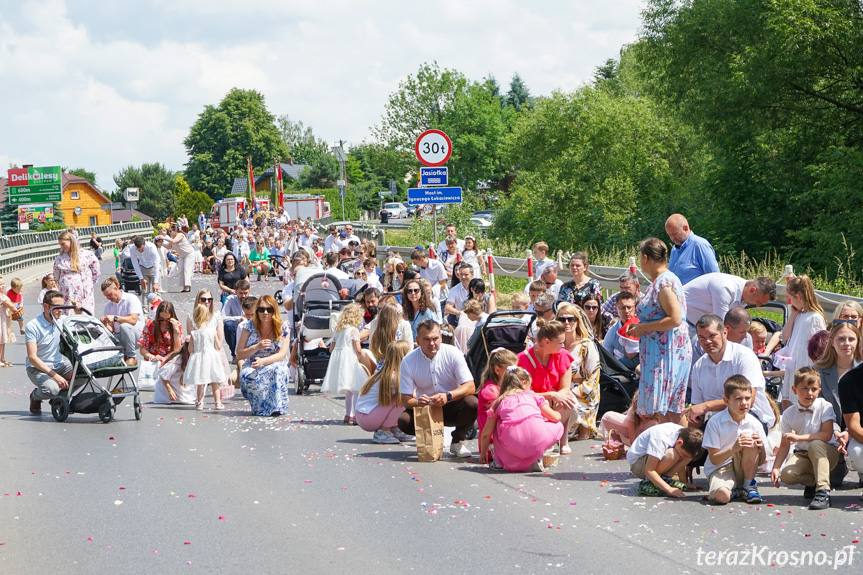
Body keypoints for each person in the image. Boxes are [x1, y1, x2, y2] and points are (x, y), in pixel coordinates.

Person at [625, 238, 691, 423]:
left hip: (667, 353)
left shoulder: (665, 282)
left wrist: (643, 328)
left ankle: (681, 448)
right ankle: (676, 448)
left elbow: (675, 318)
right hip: (662, 351)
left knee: (667, 408)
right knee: (668, 410)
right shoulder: (661, 280)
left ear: (646, 258)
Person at [397, 320, 479, 458]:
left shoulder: (453, 353)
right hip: (426, 407)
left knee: (472, 402)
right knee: (403, 420)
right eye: (426, 339)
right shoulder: (408, 360)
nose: (432, 343)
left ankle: (458, 441)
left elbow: (470, 386)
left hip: (451, 404)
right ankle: (429, 438)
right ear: (417, 340)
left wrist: (448, 395)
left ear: (441, 337)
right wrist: (418, 402)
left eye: (435, 338)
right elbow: (405, 399)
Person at [685, 314, 777, 433]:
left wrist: (706, 406)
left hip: (750, 418)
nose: (707, 341)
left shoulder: (744, 356)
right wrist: (690, 441)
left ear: (725, 333)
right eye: (701, 337)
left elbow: (748, 401)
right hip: (717, 424)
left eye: (712, 336)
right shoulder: (699, 366)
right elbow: (698, 414)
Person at [771, 367, 840, 510]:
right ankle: (813, 482)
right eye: (804, 388)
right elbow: (785, 444)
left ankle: (823, 492)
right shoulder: (789, 414)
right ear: (794, 390)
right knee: (787, 475)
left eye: (814, 389)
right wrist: (776, 467)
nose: (809, 393)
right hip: (803, 453)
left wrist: (798, 437)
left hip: (827, 453)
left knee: (816, 444)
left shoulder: (825, 406)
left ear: (819, 391)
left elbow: (827, 435)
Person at [479, 367, 564, 472]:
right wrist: (557, 413)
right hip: (537, 443)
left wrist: (483, 453)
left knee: (497, 423)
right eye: (529, 385)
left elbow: (486, 433)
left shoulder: (498, 402)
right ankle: (536, 456)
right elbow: (555, 418)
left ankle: (498, 461)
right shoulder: (532, 396)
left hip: (512, 446)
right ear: (524, 383)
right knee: (558, 425)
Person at [703, 375, 767, 504]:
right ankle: (737, 491)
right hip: (721, 468)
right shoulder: (715, 422)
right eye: (738, 399)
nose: (744, 403)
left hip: (745, 469)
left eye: (747, 398)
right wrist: (734, 448)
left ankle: (749, 486)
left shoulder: (755, 423)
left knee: (750, 441)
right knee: (722, 497)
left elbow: (761, 461)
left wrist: (761, 448)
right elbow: (714, 459)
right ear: (726, 401)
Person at [517, 319, 577, 454]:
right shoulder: (522, 359)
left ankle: (563, 440)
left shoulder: (562, 355)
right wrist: (549, 396)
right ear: (546, 342)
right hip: (532, 402)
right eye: (560, 343)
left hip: (553, 400)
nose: (563, 346)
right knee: (547, 402)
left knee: (567, 400)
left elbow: (565, 387)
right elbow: (519, 393)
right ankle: (544, 439)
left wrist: (556, 397)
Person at [815, 321, 862, 488]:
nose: (846, 344)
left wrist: (850, 432)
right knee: (834, 479)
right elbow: (816, 409)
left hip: (857, 428)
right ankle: (838, 465)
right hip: (830, 430)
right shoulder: (817, 371)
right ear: (832, 341)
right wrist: (835, 431)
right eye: (841, 339)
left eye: (851, 339)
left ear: (858, 342)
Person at [25, 291, 81, 414]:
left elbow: (82, 322)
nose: (60, 311)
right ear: (46, 306)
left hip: (59, 364)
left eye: (62, 307)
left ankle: (59, 398)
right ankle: (35, 396)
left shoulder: (62, 320)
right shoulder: (33, 326)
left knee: (84, 374)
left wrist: (78, 311)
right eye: (57, 307)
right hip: (37, 367)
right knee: (51, 390)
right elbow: (32, 357)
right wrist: (54, 375)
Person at [321, 304, 377, 424]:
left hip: (339, 359)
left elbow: (331, 349)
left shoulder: (339, 329)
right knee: (357, 387)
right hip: (350, 358)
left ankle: (348, 414)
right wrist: (362, 356)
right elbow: (357, 349)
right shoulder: (353, 330)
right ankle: (356, 415)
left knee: (349, 390)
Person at [236, 295, 291, 417]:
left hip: (274, 361)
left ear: (274, 311)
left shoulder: (283, 327)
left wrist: (264, 361)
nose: (265, 313)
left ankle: (276, 407)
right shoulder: (249, 326)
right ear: (257, 311)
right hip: (253, 362)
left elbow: (282, 354)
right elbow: (239, 353)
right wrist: (256, 347)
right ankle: (259, 406)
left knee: (277, 369)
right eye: (261, 309)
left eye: (269, 309)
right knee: (247, 374)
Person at [780, 275, 827, 410]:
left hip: (805, 363)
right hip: (793, 363)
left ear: (797, 297)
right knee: (788, 398)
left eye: (790, 297)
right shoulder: (799, 314)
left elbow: (819, 347)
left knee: (801, 400)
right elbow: (785, 336)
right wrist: (793, 315)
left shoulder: (815, 317)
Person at [356, 340, 415, 444]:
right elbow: (412, 394)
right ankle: (383, 432)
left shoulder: (386, 372)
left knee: (399, 397)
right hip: (367, 418)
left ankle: (393, 428)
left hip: (365, 414)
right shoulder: (393, 377)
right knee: (402, 397)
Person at [557, 303, 601, 439]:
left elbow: (593, 380)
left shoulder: (587, 345)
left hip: (583, 394)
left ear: (577, 321)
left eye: (570, 319)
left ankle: (581, 429)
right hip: (560, 393)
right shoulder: (555, 347)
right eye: (562, 319)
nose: (566, 323)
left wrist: (569, 393)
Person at [138, 301, 193, 404]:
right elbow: (142, 349)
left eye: (167, 320)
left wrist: (175, 329)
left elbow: (178, 349)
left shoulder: (176, 325)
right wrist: (151, 356)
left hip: (170, 358)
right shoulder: (150, 325)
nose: (164, 322)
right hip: (154, 358)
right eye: (161, 319)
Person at [627, 423, 703, 497]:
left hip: (652, 461)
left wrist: (684, 482)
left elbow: (685, 456)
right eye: (683, 455)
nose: (681, 459)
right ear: (679, 442)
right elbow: (649, 471)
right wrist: (668, 489)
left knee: (686, 456)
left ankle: (665, 480)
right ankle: (649, 482)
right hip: (638, 464)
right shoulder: (661, 438)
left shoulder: (683, 435)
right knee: (672, 454)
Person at [683, 273, 776, 331]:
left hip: (700, 326)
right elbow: (720, 325)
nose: (758, 306)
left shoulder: (746, 296)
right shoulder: (725, 288)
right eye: (759, 301)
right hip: (685, 322)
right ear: (752, 290)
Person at [184, 303, 227, 411]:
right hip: (211, 358)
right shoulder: (212, 331)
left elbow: (190, 350)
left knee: (201, 382)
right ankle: (217, 402)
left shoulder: (194, 333)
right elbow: (218, 346)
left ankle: (200, 403)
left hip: (200, 360)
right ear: (207, 317)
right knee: (214, 381)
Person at [664, 213, 720, 285]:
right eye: (669, 235)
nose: (672, 238)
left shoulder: (700, 246)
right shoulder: (674, 249)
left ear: (686, 228)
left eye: (675, 233)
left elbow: (715, 279)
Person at [99, 277, 144, 367]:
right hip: (120, 336)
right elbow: (111, 330)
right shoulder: (108, 306)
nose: (108, 298)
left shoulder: (131, 298)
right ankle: (117, 356)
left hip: (137, 336)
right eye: (106, 296)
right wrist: (105, 324)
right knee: (103, 336)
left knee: (124, 326)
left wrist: (115, 318)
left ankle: (132, 356)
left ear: (116, 289)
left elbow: (133, 320)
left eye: (109, 294)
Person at [53, 230, 100, 313]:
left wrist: (89, 282)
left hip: (84, 291)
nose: (62, 247)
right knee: (69, 315)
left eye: (63, 244)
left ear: (71, 241)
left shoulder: (87, 254)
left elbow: (96, 270)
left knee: (85, 313)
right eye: (60, 245)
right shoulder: (60, 258)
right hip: (67, 293)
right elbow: (56, 276)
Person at [601, 292, 640, 369]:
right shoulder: (613, 331)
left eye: (629, 307)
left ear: (635, 307)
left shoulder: (643, 325)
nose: (626, 311)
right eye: (623, 308)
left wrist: (638, 352)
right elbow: (606, 356)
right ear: (616, 309)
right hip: (622, 369)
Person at [222, 280, 251, 361]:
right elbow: (223, 317)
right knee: (228, 325)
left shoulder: (253, 299)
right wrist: (239, 318)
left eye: (245, 293)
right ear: (235, 292)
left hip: (250, 328)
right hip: (235, 328)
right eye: (240, 293)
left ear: (249, 291)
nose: (243, 295)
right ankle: (235, 355)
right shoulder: (230, 299)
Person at [163, 224, 195, 292]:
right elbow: (169, 246)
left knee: (187, 269)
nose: (169, 232)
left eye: (170, 231)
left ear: (175, 231)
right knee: (180, 270)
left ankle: (187, 286)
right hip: (182, 255)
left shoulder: (180, 235)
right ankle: (184, 286)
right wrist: (160, 243)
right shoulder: (172, 239)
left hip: (189, 254)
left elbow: (174, 241)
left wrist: (164, 238)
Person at [0, 276, 18, 367]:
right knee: (0, 341)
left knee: (2, 341)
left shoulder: (3, 295)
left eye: (3, 283)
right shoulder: (1, 297)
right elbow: (11, 306)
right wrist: (16, 310)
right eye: (0, 284)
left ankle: (2, 358)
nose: (2, 286)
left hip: (4, 320)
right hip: (1, 321)